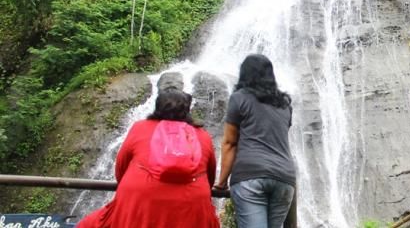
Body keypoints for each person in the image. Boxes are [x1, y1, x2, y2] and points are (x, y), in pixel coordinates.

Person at [78, 89, 219, 228]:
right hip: (192, 203)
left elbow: (121, 167)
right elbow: (210, 178)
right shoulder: (202, 135)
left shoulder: (140, 128)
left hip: (139, 199)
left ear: (157, 107)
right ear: (187, 110)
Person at [214, 54, 296, 228]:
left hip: (251, 176)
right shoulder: (285, 105)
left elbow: (230, 143)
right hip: (284, 178)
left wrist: (221, 184)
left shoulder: (239, 98)